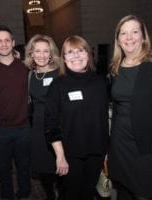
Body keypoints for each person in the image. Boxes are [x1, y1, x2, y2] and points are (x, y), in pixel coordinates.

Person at [107, 15, 152, 200]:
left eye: (134, 32)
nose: (129, 37)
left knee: (144, 194)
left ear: (143, 36)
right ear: (118, 39)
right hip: (120, 144)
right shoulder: (115, 67)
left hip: (148, 148)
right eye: (123, 33)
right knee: (123, 192)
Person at [44, 35, 109, 200]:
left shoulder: (100, 82)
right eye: (70, 52)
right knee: (71, 194)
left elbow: (103, 119)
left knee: (88, 193)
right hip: (70, 154)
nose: (76, 56)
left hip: (96, 152)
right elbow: (51, 123)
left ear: (88, 54)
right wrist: (60, 156)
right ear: (64, 59)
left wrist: (106, 152)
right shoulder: (57, 85)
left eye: (80, 51)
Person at [0, 25, 31, 200]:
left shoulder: (26, 68)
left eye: (7, 40)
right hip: (0, 130)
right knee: (3, 168)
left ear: (13, 43)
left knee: (24, 166)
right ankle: (7, 195)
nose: (3, 44)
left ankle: (25, 194)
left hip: (24, 127)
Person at [24, 34, 61, 200]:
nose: (42, 55)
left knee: (60, 165)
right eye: (37, 51)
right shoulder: (30, 75)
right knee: (44, 166)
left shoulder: (59, 74)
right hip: (38, 127)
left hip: (58, 126)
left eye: (46, 51)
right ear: (31, 53)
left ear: (51, 53)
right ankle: (50, 195)